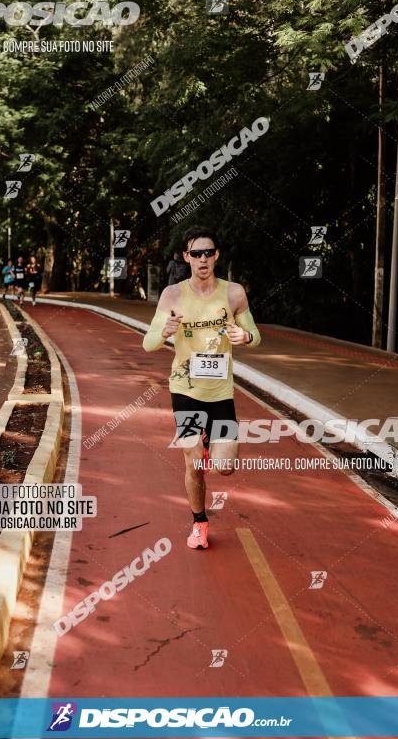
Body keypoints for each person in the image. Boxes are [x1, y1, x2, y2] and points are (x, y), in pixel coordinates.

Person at [143, 225, 261, 550]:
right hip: (185, 391)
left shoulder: (234, 293)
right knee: (194, 464)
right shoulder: (173, 295)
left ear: (217, 255)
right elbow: (148, 343)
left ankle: (211, 446)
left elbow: (255, 334)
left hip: (221, 393)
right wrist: (163, 332)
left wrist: (245, 336)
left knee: (225, 468)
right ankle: (199, 523)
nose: (203, 258)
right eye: (196, 253)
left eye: (208, 252)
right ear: (186, 257)